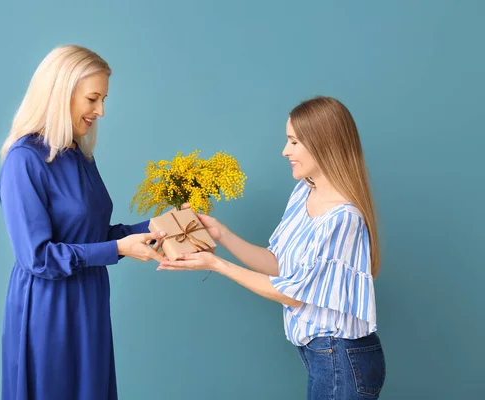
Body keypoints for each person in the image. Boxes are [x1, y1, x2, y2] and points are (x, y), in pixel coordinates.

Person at [158, 96, 386, 399]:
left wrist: (217, 265)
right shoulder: (304, 191)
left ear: (323, 143)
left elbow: (290, 293)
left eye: (293, 141)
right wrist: (221, 234)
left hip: (342, 359)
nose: (285, 151)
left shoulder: (344, 219)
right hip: (325, 357)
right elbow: (279, 265)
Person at [0, 44, 167, 400]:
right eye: (93, 99)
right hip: (49, 309)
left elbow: (92, 236)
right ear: (61, 93)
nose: (100, 111)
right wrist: (119, 248)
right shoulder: (24, 160)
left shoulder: (79, 155)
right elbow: (38, 257)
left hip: (89, 301)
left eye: (103, 99)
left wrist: (154, 227)